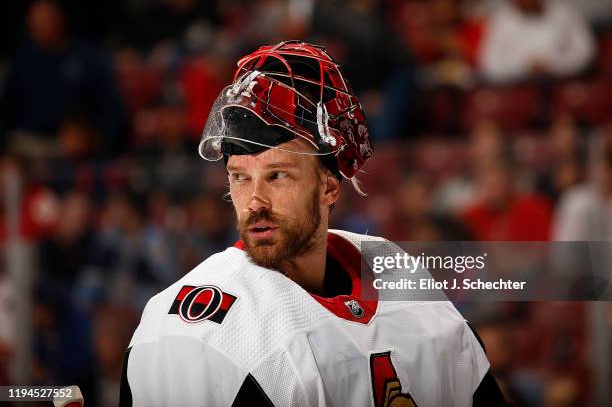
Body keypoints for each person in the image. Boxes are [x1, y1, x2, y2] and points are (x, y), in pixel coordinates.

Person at [120, 41, 508, 406]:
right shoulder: (193, 327)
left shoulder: (401, 277)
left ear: (328, 187)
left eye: (277, 176)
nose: (254, 202)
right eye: (240, 177)